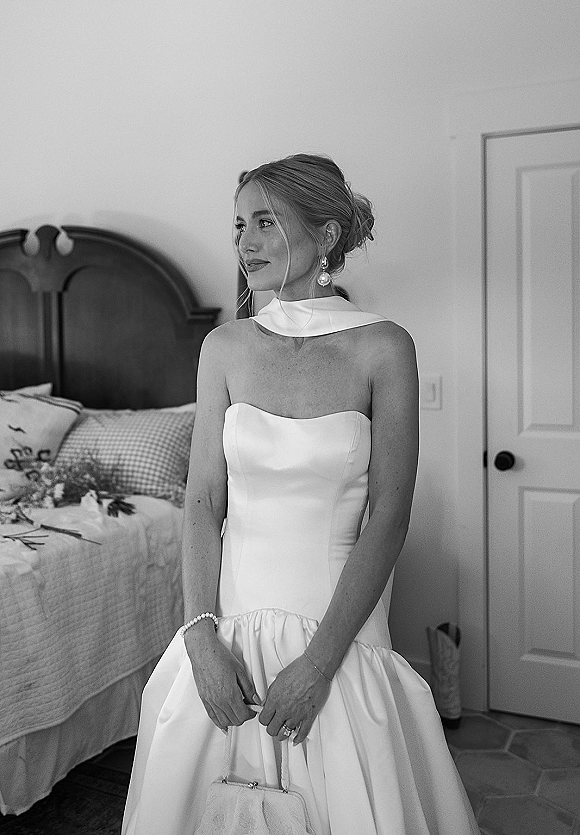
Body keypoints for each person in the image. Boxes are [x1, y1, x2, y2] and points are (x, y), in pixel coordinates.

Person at [122, 154, 479, 834]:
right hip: (229, 629)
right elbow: (202, 503)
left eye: (266, 222)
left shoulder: (383, 347)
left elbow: (389, 515)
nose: (245, 242)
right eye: (239, 225)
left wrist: (318, 666)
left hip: (338, 633)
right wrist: (200, 639)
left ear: (327, 235)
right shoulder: (224, 348)